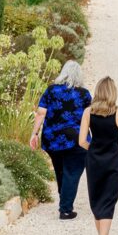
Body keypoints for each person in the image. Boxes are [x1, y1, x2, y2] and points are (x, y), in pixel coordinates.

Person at [31, 60, 91, 220]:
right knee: (72, 172)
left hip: (52, 139)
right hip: (76, 139)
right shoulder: (84, 94)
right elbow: (89, 117)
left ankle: (64, 198)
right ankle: (65, 209)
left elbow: (41, 113)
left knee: (60, 171)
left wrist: (34, 134)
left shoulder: (51, 90)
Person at [79, 76, 118, 235]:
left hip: (94, 160)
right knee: (109, 199)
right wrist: (114, 148)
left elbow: (82, 141)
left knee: (96, 196)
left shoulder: (87, 112)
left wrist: (93, 149)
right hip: (113, 160)